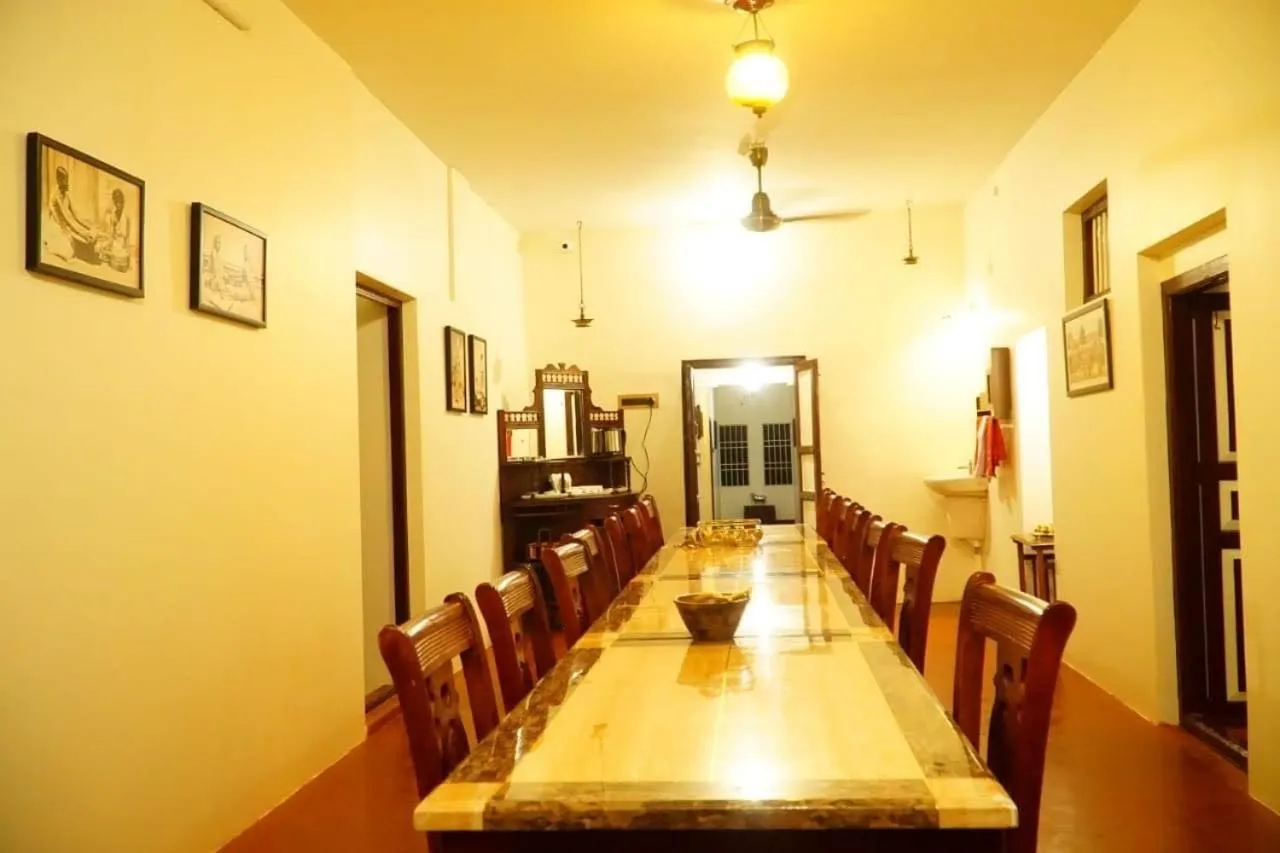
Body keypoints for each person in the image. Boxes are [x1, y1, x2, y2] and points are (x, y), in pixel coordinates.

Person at [44, 165, 98, 263]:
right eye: (64, 180)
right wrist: (81, 234)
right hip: (57, 225)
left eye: (67, 179)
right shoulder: (55, 194)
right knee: (69, 251)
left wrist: (89, 227)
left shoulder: (66, 194)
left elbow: (76, 215)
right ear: (59, 179)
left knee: (87, 235)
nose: (67, 182)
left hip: (66, 224)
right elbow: (65, 218)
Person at [100, 187, 132, 273]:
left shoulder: (127, 217)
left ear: (123, 202)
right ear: (114, 203)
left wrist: (126, 249)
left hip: (122, 245)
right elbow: (111, 234)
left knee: (122, 256)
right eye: (117, 202)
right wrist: (109, 244)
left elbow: (127, 238)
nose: (119, 205)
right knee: (102, 247)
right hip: (114, 243)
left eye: (121, 202)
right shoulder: (113, 216)